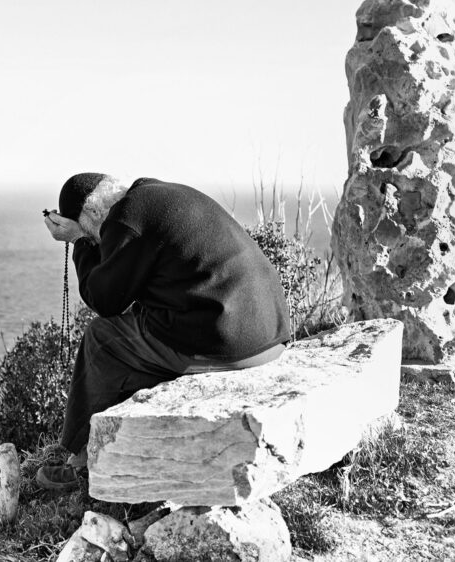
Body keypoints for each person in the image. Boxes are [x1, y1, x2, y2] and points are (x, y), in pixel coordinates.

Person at [37, 173, 291, 489]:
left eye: (89, 229)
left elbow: (104, 300)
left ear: (93, 211)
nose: (97, 239)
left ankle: (81, 460)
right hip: (270, 335)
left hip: (230, 344)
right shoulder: (154, 196)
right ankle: (125, 431)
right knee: (142, 321)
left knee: (102, 338)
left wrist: (79, 241)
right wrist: (86, 234)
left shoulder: (125, 219)